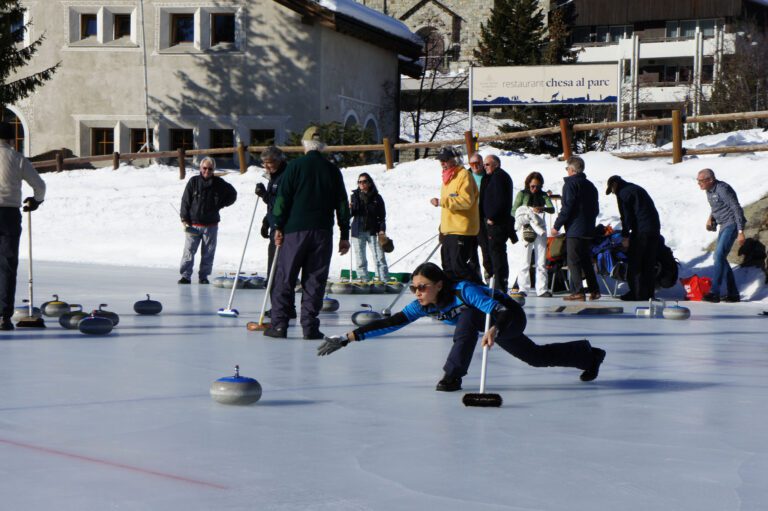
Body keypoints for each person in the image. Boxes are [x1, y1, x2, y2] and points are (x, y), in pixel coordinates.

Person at [316, 262, 606, 392]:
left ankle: (452, 377)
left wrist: (495, 330)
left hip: (508, 316)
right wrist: (348, 337)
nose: (417, 292)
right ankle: (589, 355)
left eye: (422, 287)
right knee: (536, 357)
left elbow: (500, 310)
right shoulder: (422, 305)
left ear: (439, 285)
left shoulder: (462, 290)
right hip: (489, 323)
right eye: (414, 287)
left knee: (467, 318)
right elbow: (392, 322)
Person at [265, 126, 350, 339]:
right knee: (314, 280)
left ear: (304, 145)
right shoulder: (332, 170)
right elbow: (342, 205)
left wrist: (277, 226)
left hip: (295, 233)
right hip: (322, 233)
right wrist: (344, 235)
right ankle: (310, 327)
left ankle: (279, 325)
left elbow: (282, 200)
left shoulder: (294, 167)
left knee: (285, 278)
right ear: (322, 147)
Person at [0, 122, 46, 331]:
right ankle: (3, 316)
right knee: (7, 265)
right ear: (11, 139)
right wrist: (36, 201)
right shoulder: (17, 158)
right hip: (9, 214)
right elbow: (39, 185)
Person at [178, 157, 237, 284]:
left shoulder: (219, 183)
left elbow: (233, 194)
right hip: (193, 224)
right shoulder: (193, 182)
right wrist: (184, 219)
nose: (207, 171)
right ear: (200, 168)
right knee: (189, 252)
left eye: (210, 169)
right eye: (204, 168)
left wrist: (220, 204)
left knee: (208, 253)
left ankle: (203, 277)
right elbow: (185, 201)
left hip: (211, 225)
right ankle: (185, 276)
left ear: (213, 170)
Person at [550, 156, 600, 301]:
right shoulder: (591, 185)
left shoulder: (570, 185)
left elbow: (568, 207)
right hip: (588, 228)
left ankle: (578, 291)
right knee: (585, 260)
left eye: (567, 168)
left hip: (575, 229)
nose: (567, 171)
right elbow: (595, 208)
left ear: (572, 170)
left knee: (573, 260)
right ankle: (594, 290)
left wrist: (556, 225)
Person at [430, 146, 481, 284]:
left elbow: (466, 201)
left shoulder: (464, 175)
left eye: (445, 160)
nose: (442, 163)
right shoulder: (447, 179)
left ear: (454, 159)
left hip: (461, 230)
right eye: (441, 160)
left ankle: (481, 294)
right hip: (449, 230)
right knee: (448, 267)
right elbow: (449, 208)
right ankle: (456, 299)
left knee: (460, 268)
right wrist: (442, 228)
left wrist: (442, 201)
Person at [255, 146, 295, 319]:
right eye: (264, 163)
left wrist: (264, 194)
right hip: (275, 226)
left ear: (279, 160)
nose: (267, 167)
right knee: (277, 270)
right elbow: (273, 207)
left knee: (277, 271)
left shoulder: (286, 176)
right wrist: (266, 221)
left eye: (269, 163)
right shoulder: (274, 175)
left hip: (283, 230)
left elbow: (281, 202)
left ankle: (281, 308)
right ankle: (284, 307)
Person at [606, 175, 661, 301]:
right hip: (653, 228)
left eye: (612, 190)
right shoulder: (635, 188)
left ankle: (636, 293)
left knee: (635, 263)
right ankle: (649, 294)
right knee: (649, 262)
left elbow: (626, 216)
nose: (614, 193)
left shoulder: (624, 193)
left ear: (615, 184)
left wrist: (625, 236)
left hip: (641, 231)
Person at [697, 168, 747, 303]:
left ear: (710, 180)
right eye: (698, 181)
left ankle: (715, 292)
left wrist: (741, 231)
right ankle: (733, 294)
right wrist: (710, 218)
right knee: (722, 259)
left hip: (732, 225)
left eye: (701, 181)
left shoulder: (723, 189)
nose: (699, 184)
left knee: (718, 256)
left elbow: (737, 208)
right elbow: (716, 207)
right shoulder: (709, 191)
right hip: (723, 225)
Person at [512, 172, 555, 297]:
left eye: (538, 186)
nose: (535, 189)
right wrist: (526, 212)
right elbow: (514, 210)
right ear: (528, 184)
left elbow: (552, 209)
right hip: (526, 227)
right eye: (532, 186)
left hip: (540, 227)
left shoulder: (543, 195)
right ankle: (523, 288)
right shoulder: (522, 194)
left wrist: (542, 208)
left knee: (541, 260)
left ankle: (542, 289)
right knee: (524, 259)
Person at [478, 154, 513, 291]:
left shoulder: (499, 177)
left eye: (487, 164)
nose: (484, 167)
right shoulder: (495, 176)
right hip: (496, 222)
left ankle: (499, 286)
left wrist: (492, 216)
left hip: (497, 224)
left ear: (496, 164)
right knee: (494, 254)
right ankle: (497, 285)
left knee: (497, 255)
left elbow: (499, 200)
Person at [350, 172, 389, 282]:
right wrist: (350, 208)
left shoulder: (377, 197)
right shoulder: (355, 196)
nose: (361, 184)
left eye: (364, 181)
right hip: (358, 231)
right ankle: (363, 280)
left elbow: (382, 217)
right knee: (361, 258)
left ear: (370, 183)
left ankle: (383, 280)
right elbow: (351, 214)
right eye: (359, 182)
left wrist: (382, 231)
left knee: (379, 256)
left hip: (373, 231)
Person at [468, 152, 491, 280]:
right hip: (469, 218)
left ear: (482, 163)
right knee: (471, 250)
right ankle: (475, 277)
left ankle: (489, 276)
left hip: (483, 217)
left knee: (486, 248)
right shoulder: (465, 176)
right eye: (472, 164)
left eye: (478, 163)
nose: (475, 166)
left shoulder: (489, 176)